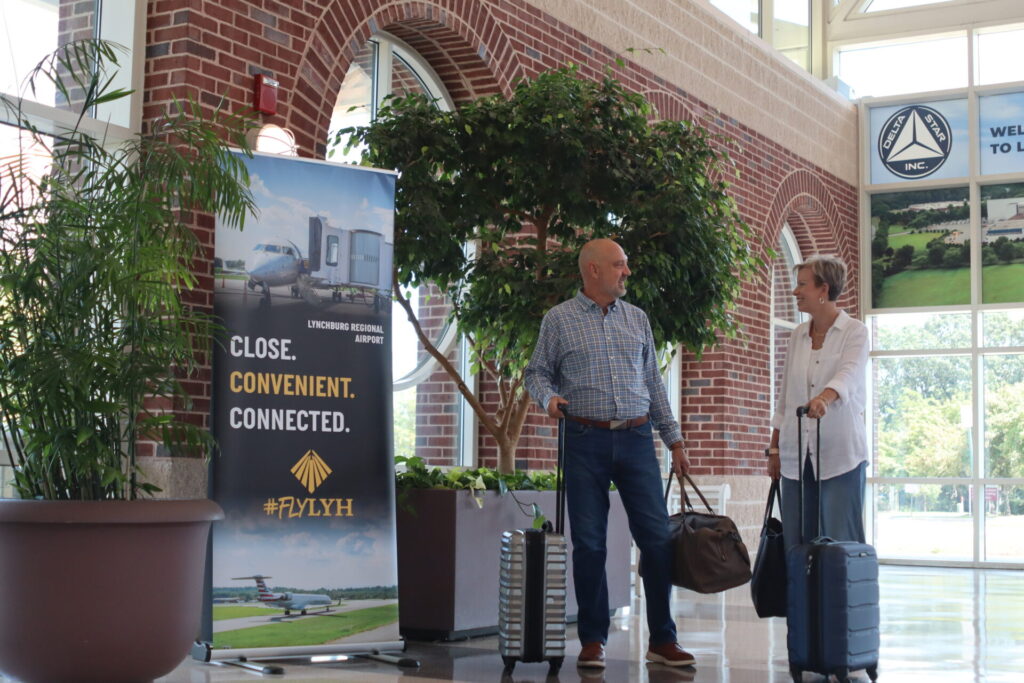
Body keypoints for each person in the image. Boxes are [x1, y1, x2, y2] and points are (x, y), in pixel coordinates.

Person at [525, 238, 695, 670]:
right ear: (594, 270)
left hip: (638, 440)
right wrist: (548, 400)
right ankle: (593, 638)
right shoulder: (559, 320)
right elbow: (536, 373)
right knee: (590, 544)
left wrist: (673, 439)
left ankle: (662, 639)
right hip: (585, 440)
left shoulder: (638, 319)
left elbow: (653, 383)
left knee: (657, 541)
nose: (627, 272)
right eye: (620, 264)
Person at [766, 254, 869, 548]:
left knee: (839, 545)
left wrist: (825, 397)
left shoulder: (855, 332)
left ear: (824, 290)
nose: (795, 292)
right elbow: (786, 396)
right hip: (795, 456)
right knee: (796, 545)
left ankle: (838, 597)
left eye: (802, 285)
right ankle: (799, 596)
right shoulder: (798, 335)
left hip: (841, 456)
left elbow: (848, 374)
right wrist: (774, 447)